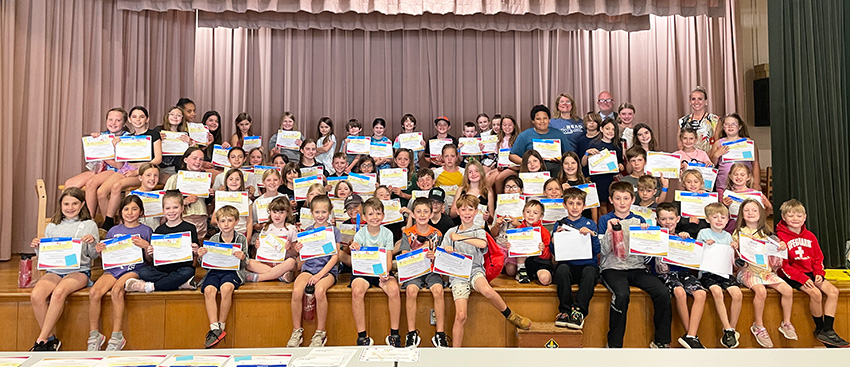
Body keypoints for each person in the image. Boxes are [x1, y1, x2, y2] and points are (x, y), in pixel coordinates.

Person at [442, 194, 531, 347]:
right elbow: (442, 255)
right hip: (458, 275)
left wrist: (460, 238)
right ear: (458, 211)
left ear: (476, 211)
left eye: (471, 209)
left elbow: (482, 244)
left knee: (487, 290)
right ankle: (454, 354)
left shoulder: (478, 230)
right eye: (463, 209)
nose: (467, 213)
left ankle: (511, 315)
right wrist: (448, 249)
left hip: (475, 270)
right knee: (461, 316)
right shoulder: (451, 232)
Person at [598, 181, 671, 348]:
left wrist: (646, 236)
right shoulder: (605, 219)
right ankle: (614, 344)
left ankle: (662, 341)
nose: (622, 202)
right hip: (613, 268)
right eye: (618, 198)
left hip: (637, 268)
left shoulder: (640, 219)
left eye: (625, 198)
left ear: (632, 200)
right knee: (622, 295)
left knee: (662, 292)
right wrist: (610, 231)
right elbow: (603, 250)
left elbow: (645, 257)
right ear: (611, 200)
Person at [29, 188, 100, 351]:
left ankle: (41, 340)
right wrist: (38, 248)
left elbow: (93, 255)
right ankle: (51, 339)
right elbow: (46, 256)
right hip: (55, 270)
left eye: (75, 203)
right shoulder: (52, 226)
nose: (70, 207)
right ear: (60, 205)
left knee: (59, 293)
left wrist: (91, 243)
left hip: (79, 270)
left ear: (82, 204)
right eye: (66, 203)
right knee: (36, 295)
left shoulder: (89, 225)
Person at [776, 199, 849, 347]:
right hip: (793, 275)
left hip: (810, 272)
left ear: (805, 217)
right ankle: (820, 328)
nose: (795, 219)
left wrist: (819, 273)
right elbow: (783, 265)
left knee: (833, 291)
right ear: (783, 217)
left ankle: (828, 330)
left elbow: (818, 258)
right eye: (790, 216)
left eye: (798, 216)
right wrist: (802, 279)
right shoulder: (780, 238)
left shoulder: (810, 236)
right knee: (815, 293)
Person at [88, 195, 153, 351]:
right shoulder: (114, 230)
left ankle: (117, 336)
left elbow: (150, 259)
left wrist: (146, 246)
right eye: (126, 209)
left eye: (134, 209)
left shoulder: (146, 230)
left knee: (117, 290)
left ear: (141, 212)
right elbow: (107, 256)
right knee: (94, 292)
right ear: (120, 212)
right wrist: (100, 251)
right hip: (113, 269)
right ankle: (94, 335)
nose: (130, 212)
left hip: (134, 269)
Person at [731, 199, 795, 348]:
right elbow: (735, 259)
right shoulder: (739, 233)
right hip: (747, 271)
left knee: (787, 290)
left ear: (760, 213)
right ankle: (758, 326)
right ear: (741, 214)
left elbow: (776, 259)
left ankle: (786, 323)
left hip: (765, 271)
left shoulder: (767, 233)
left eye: (754, 210)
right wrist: (734, 246)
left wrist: (781, 246)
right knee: (760, 290)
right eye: (747, 210)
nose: (751, 213)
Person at [287, 195, 340, 347]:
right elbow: (303, 259)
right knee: (297, 291)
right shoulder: (307, 232)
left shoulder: (334, 231)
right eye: (317, 212)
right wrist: (298, 250)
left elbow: (334, 258)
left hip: (327, 272)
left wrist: (319, 275)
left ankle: (320, 333)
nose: (320, 215)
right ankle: (297, 331)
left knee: (320, 290)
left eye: (324, 212)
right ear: (311, 213)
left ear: (329, 212)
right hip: (309, 269)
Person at [100, 106, 164, 230]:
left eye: (141, 117)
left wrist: (137, 171)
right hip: (127, 168)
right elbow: (121, 162)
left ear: (147, 119)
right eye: (134, 116)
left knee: (117, 186)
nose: (138, 119)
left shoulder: (153, 134)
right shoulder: (128, 137)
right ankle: (110, 223)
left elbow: (158, 159)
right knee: (101, 192)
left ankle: (110, 223)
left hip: (145, 171)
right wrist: (116, 147)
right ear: (129, 119)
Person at [349, 198, 402, 346]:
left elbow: (389, 257)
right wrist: (354, 247)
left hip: (381, 271)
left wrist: (385, 273)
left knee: (393, 289)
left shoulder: (387, 234)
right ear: (364, 217)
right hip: (364, 272)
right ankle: (362, 336)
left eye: (378, 213)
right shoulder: (360, 234)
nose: (375, 217)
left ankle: (394, 334)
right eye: (371, 214)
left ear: (383, 216)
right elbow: (356, 253)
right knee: (357, 290)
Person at [654, 203, 707, 349]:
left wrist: (687, 240)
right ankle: (691, 336)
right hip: (664, 274)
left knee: (701, 293)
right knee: (679, 292)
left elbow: (691, 259)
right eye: (663, 219)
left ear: (677, 219)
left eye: (671, 218)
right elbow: (647, 260)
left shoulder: (682, 235)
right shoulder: (655, 236)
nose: (668, 222)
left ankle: (690, 335)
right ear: (658, 220)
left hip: (683, 272)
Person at [125, 190, 199, 293]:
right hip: (162, 269)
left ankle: (150, 287)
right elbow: (155, 257)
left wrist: (196, 250)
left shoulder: (190, 228)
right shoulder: (159, 230)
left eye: (175, 207)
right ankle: (179, 283)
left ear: (182, 208)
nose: (171, 211)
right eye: (167, 208)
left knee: (188, 271)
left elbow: (196, 252)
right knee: (144, 272)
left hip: (182, 268)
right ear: (163, 210)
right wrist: (151, 252)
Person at [399, 197, 448, 348]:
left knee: (438, 290)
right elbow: (405, 256)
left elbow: (441, 257)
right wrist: (420, 250)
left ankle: (440, 333)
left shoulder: (437, 234)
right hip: (414, 271)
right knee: (411, 290)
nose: (422, 214)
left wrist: (435, 255)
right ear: (412, 214)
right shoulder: (407, 233)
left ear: (431, 213)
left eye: (426, 211)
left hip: (431, 270)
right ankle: (411, 333)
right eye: (418, 211)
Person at [197, 205, 248, 348]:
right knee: (209, 290)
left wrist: (243, 257)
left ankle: (222, 324)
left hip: (232, 272)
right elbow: (205, 264)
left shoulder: (241, 238)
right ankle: (214, 328)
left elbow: (247, 262)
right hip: (214, 271)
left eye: (230, 220)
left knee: (226, 288)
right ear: (218, 223)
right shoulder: (213, 238)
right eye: (223, 221)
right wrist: (201, 256)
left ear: (236, 222)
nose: (226, 224)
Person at [697, 202, 743, 348]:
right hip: (708, 272)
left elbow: (733, 262)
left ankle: (731, 330)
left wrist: (735, 249)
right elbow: (696, 253)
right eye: (715, 217)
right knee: (717, 292)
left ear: (727, 219)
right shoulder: (703, 233)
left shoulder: (728, 236)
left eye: (723, 217)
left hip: (725, 272)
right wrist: (704, 244)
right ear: (707, 219)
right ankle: (727, 327)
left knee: (737, 294)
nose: (719, 220)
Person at [552, 188, 599, 330]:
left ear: (584, 206)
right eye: (571, 203)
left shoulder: (590, 224)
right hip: (568, 266)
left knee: (590, 272)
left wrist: (592, 236)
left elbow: (597, 251)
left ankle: (578, 312)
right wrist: (555, 240)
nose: (574, 207)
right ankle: (565, 311)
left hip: (587, 266)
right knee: (562, 270)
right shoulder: (559, 224)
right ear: (564, 205)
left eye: (578, 203)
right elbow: (554, 253)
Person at [246, 182, 299, 283]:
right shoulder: (266, 227)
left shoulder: (291, 229)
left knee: (291, 262)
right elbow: (261, 252)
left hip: (282, 263)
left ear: (287, 213)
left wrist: (289, 248)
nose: (277, 215)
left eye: (281, 212)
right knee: (249, 262)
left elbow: (295, 253)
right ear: (269, 212)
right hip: (266, 263)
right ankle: (279, 276)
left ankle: (260, 277)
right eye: (274, 212)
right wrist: (258, 246)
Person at [509, 104, 573, 175]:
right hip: (533, 171)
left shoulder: (558, 134)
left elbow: (569, 154)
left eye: (545, 118)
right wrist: (528, 163)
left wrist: (562, 159)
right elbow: (512, 156)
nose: (542, 121)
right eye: (538, 119)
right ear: (533, 121)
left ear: (549, 120)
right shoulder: (524, 135)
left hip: (556, 170)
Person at [163, 147, 211, 239]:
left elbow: (208, 202)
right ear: (185, 159)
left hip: (200, 218)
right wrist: (184, 202)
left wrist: (211, 194)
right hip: (181, 218)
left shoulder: (205, 179)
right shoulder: (174, 179)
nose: (198, 162)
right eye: (194, 158)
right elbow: (165, 200)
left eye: (201, 159)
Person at [581, 118, 624, 215]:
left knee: (613, 203)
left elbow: (621, 164)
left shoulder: (617, 145)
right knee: (602, 205)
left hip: (612, 179)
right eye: (607, 128)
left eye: (613, 129)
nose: (610, 131)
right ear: (601, 129)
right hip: (599, 179)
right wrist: (587, 154)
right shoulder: (593, 144)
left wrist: (621, 166)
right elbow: (583, 164)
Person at [507, 200, 552, 285]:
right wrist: (511, 247)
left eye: (535, 213)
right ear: (523, 213)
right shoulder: (518, 230)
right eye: (528, 212)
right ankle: (521, 272)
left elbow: (548, 255)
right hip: (525, 263)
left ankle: (540, 275)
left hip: (540, 263)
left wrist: (542, 250)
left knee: (545, 279)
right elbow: (514, 250)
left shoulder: (544, 232)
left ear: (541, 216)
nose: (531, 215)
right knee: (513, 266)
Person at [491, 176, 523, 277]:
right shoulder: (499, 207)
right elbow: (493, 233)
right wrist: (497, 224)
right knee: (495, 269)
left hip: (514, 246)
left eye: (514, 187)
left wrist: (518, 224)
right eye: (507, 187)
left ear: (521, 191)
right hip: (500, 244)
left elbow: (529, 232)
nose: (510, 190)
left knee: (511, 270)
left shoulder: (525, 207)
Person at [678, 87, 720, 152]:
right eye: (693, 99)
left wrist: (706, 159)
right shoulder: (683, 121)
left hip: (708, 159)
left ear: (706, 101)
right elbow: (680, 144)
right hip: (688, 160)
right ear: (690, 102)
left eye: (700, 99)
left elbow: (717, 143)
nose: (696, 102)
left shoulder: (714, 120)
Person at [487, 115, 520, 194]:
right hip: (503, 167)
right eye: (505, 125)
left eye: (510, 125)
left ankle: (501, 200)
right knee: (487, 178)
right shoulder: (499, 139)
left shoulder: (518, 139)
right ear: (501, 126)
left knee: (498, 179)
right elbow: (498, 157)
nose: (507, 127)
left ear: (514, 126)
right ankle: (491, 201)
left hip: (514, 167)